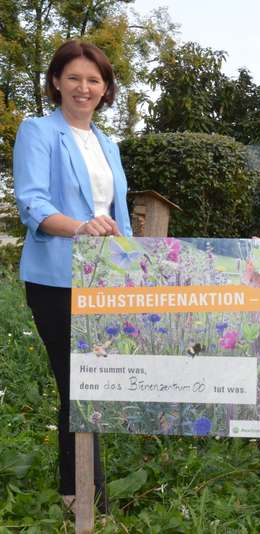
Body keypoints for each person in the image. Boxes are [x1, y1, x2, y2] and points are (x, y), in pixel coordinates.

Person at [13, 39, 133, 513]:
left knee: (97, 383)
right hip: (56, 277)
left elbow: (116, 215)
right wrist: (81, 227)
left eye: (94, 80)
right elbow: (32, 203)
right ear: (57, 82)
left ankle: (83, 488)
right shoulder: (38, 132)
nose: (84, 88)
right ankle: (83, 493)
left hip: (104, 279)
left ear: (105, 89)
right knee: (77, 383)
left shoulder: (107, 143)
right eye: (75, 78)